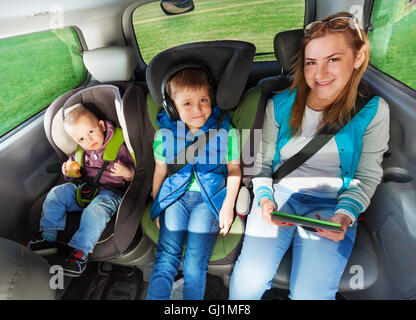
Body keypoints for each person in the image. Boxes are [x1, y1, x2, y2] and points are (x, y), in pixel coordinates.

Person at [229, 12, 390, 300]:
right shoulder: (278, 104)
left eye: (333, 59)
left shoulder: (373, 111)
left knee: (310, 294)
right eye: (311, 62)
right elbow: (262, 164)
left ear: (357, 57)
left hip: (332, 205)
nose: (320, 73)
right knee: (249, 279)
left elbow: (366, 175)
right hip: (278, 197)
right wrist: (265, 200)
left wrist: (345, 214)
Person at [146, 66, 241, 300]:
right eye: (187, 103)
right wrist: (158, 204)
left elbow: (234, 169)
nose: (198, 109)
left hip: (207, 202)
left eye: (204, 100)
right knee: (166, 257)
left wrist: (228, 207)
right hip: (174, 199)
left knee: (194, 263)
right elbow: (161, 171)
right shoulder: (164, 136)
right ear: (172, 107)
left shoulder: (225, 132)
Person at [26, 104, 135, 277]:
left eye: (91, 132)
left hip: (110, 192)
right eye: (81, 139)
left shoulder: (120, 144)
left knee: (96, 210)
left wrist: (127, 173)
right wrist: (69, 172)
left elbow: (137, 172)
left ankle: (80, 254)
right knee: (57, 193)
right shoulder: (81, 151)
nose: (88, 141)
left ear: (100, 126)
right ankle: (48, 237)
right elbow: (73, 173)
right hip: (84, 189)